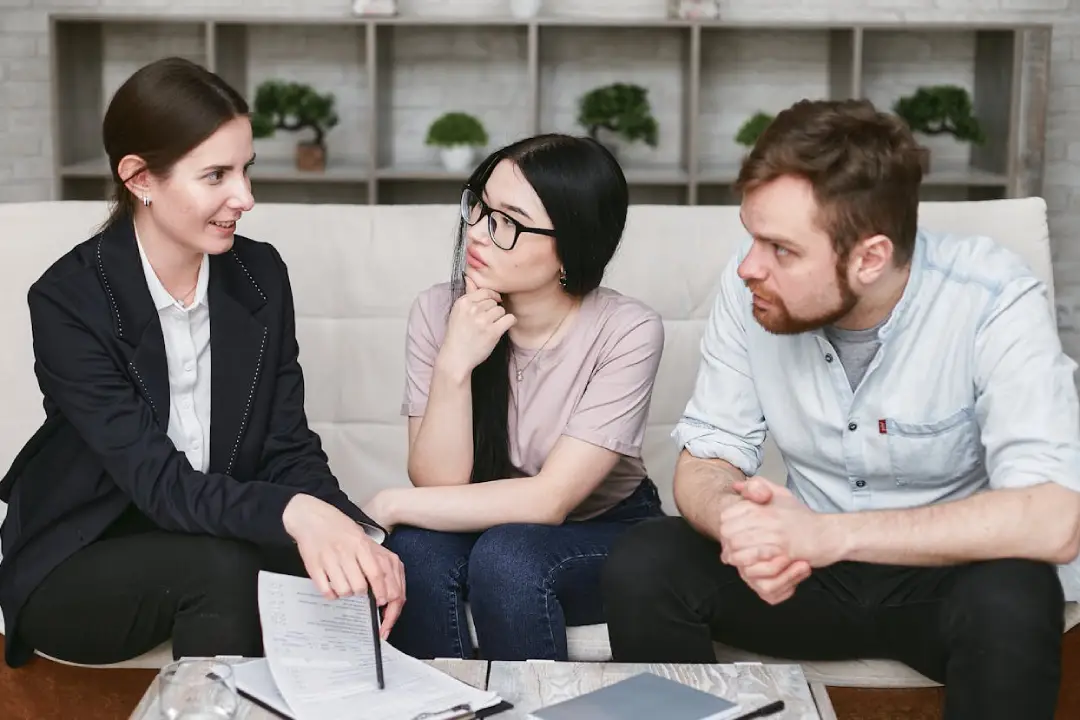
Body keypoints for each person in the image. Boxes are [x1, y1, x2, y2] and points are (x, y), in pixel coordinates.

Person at [601, 98, 1080, 720]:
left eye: (781, 249)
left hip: (947, 580)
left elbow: (1053, 518)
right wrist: (742, 527)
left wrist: (828, 535)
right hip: (805, 579)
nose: (750, 266)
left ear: (870, 258)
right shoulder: (747, 289)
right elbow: (707, 455)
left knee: (1018, 594)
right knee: (646, 564)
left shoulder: (992, 298)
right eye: (752, 236)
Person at [0, 57, 405, 668]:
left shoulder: (259, 275)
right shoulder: (68, 300)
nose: (244, 197)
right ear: (139, 177)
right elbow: (159, 485)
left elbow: (286, 447)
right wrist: (297, 515)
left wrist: (351, 531)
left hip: (219, 531)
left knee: (380, 567)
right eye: (215, 175)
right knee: (225, 568)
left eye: (245, 169)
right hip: (82, 556)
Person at [360, 134, 666, 661]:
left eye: (508, 222)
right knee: (416, 552)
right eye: (478, 205)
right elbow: (439, 483)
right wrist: (455, 364)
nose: (477, 231)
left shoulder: (627, 331)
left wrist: (388, 503)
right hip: (483, 515)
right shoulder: (438, 311)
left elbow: (549, 501)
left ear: (570, 249)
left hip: (604, 527)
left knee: (511, 556)